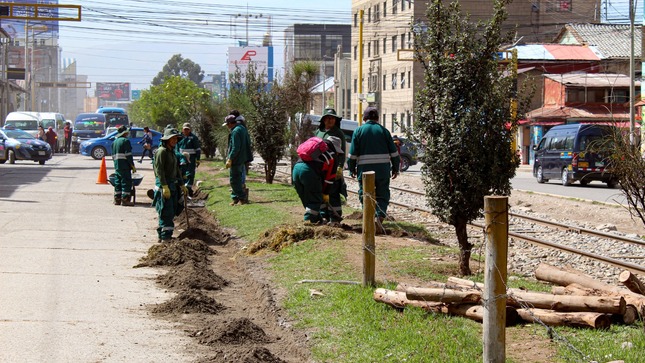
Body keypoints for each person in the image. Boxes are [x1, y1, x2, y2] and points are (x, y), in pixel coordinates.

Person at [347, 106, 400, 223]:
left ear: (364, 118)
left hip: (364, 170)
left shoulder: (358, 131)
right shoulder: (384, 131)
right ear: (377, 118)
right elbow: (394, 153)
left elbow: (352, 155)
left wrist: (351, 169)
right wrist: (396, 168)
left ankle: (369, 218)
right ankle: (379, 216)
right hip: (382, 171)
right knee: (382, 194)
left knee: (365, 193)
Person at [153, 128, 187, 242]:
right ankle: (165, 238)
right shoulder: (161, 151)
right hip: (164, 186)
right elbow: (160, 171)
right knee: (166, 212)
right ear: (166, 139)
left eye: (176, 138)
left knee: (171, 211)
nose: (175, 140)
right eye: (172, 138)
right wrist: (164, 186)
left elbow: (176, 169)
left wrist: (182, 184)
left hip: (172, 185)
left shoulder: (171, 151)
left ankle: (163, 234)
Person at [292, 138, 337, 223]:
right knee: (315, 198)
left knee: (306, 197)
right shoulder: (332, 156)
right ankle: (310, 222)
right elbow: (329, 179)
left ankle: (315, 218)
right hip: (309, 172)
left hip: (296, 169)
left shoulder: (315, 150)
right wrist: (325, 193)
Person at [314, 108, 347, 223]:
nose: (330, 120)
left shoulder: (338, 133)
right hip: (320, 168)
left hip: (333, 168)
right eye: (328, 118)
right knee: (321, 191)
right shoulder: (319, 132)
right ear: (323, 120)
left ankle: (335, 217)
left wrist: (339, 167)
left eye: (332, 118)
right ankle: (324, 216)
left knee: (333, 192)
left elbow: (342, 152)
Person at [223, 114, 252, 205]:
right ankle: (235, 198)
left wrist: (230, 158)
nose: (227, 126)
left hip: (236, 159)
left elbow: (236, 147)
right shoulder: (242, 128)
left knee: (234, 180)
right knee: (238, 179)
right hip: (242, 158)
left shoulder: (235, 131)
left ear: (231, 123)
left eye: (227, 124)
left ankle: (242, 198)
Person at [111, 126, 136, 206]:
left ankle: (117, 199)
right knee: (126, 182)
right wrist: (132, 165)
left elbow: (113, 155)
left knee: (118, 182)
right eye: (127, 132)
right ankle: (125, 199)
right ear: (125, 133)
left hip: (117, 166)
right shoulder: (125, 141)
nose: (128, 133)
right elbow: (128, 155)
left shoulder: (115, 142)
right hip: (125, 165)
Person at [176, 123, 201, 196]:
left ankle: (189, 189)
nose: (186, 131)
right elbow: (177, 148)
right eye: (185, 129)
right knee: (181, 173)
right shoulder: (179, 137)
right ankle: (181, 188)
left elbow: (198, 149)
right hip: (181, 158)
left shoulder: (193, 138)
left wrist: (198, 159)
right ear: (182, 129)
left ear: (190, 130)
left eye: (187, 129)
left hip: (191, 159)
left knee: (190, 174)